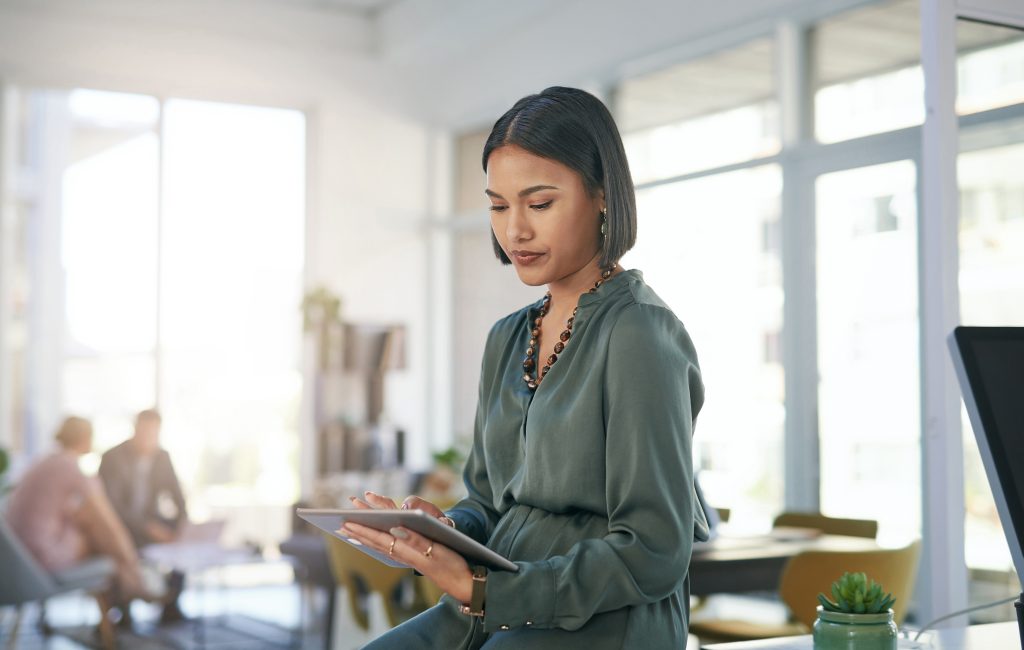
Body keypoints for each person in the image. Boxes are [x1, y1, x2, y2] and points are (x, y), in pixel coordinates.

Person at [341, 86, 709, 649]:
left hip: (607, 613)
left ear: (603, 196)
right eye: (497, 205)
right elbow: (488, 504)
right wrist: (439, 531)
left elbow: (654, 550)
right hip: (495, 599)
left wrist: (489, 590)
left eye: (539, 204)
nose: (515, 230)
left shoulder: (640, 334)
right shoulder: (507, 337)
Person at [6, 416, 161, 604]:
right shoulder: (68, 466)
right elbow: (106, 518)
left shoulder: (45, 462)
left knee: (86, 519)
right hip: (40, 559)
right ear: (86, 438)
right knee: (99, 527)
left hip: (15, 560)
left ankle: (129, 583)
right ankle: (134, 578)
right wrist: (128, 556)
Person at [99, 408, 188, 624]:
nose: (149, 437)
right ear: (135, 429)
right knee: (122, 546)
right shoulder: (113, 457)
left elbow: (176, 494)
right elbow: (114, 506)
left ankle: (171, 604)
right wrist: (149, 528)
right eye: (145, 431)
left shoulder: (162, 456)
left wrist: (183, 524)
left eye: (154, 432)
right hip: (120, 524)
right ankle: (123, 610)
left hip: (151, 520)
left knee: (180, 543)